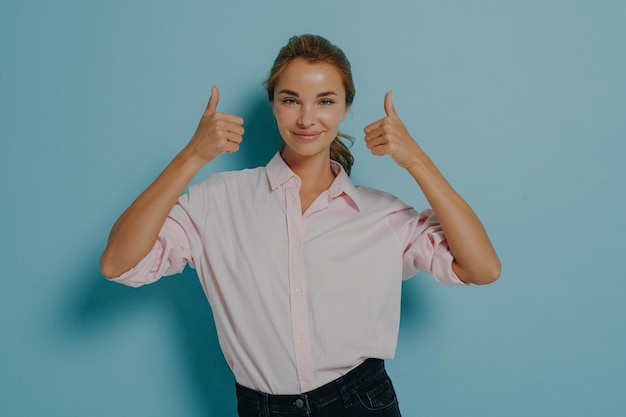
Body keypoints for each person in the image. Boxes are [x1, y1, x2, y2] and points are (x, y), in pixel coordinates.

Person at [100, 34, 500, 417]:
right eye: (291, 100)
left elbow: (482, 268)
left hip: (361, 402)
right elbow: (117, 263)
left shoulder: (383, 216)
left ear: (344, 109)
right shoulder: (216, 201)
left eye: (325, 101)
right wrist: (191, 156)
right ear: (273, 105)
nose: (307, 118)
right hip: (261, 408)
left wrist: (417, 160)